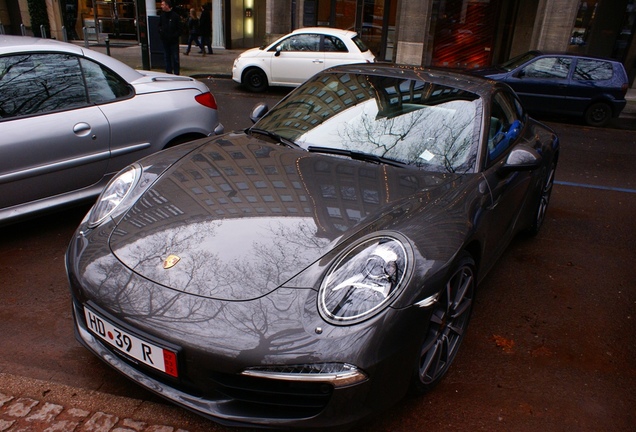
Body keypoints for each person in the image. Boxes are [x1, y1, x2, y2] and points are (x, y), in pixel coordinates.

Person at [158, 0, 181, 75]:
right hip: (165, 40)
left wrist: (174, 36)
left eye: (163, 4)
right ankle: (168, 72)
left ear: (167, 5)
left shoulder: (175, 16)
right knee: (167, 57)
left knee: (175, 58)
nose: (161, 6)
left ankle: (176, 73)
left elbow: (179, 28)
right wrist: (162, 34)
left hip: (173, 41)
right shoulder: (162, 16)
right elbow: (159, 26)